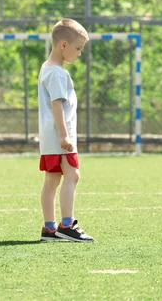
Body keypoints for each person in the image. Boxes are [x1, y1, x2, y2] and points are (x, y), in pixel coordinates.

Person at [38, 18, 94, 242]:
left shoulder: (47, 68)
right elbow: (57, 104)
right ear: (63, 45)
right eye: (78, 48)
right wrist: (64, 134)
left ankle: (49, 228)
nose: (79, 54)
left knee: (52, 180)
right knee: (73, 175)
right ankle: (67, 225)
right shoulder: (58, 73)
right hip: (61, 137)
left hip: (49, 137)